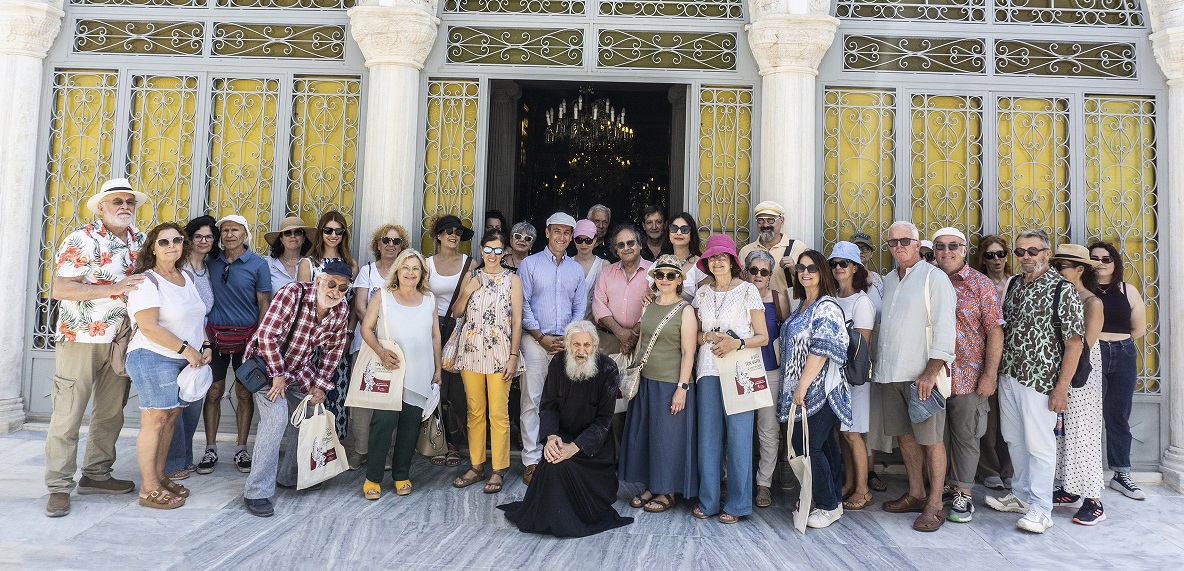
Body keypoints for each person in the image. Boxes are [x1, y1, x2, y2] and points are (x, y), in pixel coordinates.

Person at [44, 178, 147, 517]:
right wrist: (114, 288)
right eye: (117, 201)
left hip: (123, 340)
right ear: (101, 207)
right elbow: (61, 288)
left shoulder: (142, 241)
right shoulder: (82, 239)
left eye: (129, 201)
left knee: (110, 413)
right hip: (81, 338)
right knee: (68, 413)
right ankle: (59, 487)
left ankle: (96, 475)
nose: (125, 206)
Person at [985, 229, 1083, 534]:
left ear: (1046, 253)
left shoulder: (1061, 289)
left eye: (1032, 251)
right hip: (1010, 374)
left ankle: (1042, 509)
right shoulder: (1014, 283)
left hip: (1041, 380)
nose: (1025, 256)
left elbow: (1074, 343)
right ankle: (1022, 495)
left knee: (1039, 445)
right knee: (1013, 438)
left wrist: (1061, 389)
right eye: (1020, 251)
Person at [499, 321, 634, 537]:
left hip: (593, 447)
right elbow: (548, 406)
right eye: (576, 344)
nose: (581, 351)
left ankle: (569, 521)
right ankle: (552, 520)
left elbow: (603, 422)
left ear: (595, 345)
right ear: (568, 345)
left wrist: (574, 448)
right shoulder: (558, 363)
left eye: (587, 345)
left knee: (562, 466)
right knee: (553, 463)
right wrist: (552, 438)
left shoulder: (608, 369)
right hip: (561, 437)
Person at [241, 260, 352, 517]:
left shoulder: (340, 309)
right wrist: (278, 374)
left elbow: (333, 351)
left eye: (342, 288)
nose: (335, 291)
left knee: (309, 414)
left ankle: (289, 476)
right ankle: (256, 492)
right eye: (331, 284)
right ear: (319, 280)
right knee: (276, 419)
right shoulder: (293, 293)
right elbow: (266, 335)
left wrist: (321, 386)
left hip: (299, 370)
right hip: (267, 367)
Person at [874, 220, 956, 532]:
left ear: (917, 244)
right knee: (905, 437)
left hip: (922, 375)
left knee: (931, 440)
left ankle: (935, 505)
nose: (899, 247)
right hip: (892, 372)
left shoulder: (934, 277)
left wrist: (931, 371)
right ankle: (916, 494)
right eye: (893, 242)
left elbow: (946, 328)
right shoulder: (888, 280)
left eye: (905, 241)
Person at [126, 222, 211, 510]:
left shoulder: (186, 276)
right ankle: (148, 487)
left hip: (182, 360)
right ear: (152, 248)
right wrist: (187, 349)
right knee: (155, 419)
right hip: (152, 356)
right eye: (163, 241)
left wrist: (206, 345)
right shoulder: (146, 281)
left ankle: (160, 476)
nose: (171, 245)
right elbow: (149, 327)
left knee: (171, 418)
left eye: (176, 240)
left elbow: (197, 318)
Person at [692, 234, 768, 524]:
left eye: (722, 256)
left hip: (740, 372)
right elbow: (695, 335)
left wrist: (736, 343)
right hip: (708, 370)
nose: (717, 261)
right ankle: (708, 501)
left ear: (733, 261)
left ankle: (737, 504)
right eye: (712, 257)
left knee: (739, 439)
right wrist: (707, 336)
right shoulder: (702, 293)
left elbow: (763, 337)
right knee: (708, 439)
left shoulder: (748, 291)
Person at [931, 227, 1004, 524]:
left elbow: (995, 330)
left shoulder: (980, 284)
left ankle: (964, 494)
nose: (946, 251)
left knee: (966, 436)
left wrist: (990, 374)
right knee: (937, 437)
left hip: (968, 375)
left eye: (953, 246)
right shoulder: (928, 278)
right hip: (933, 374)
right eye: (940, 246)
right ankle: (943, 488)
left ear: (963, 250)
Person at [619, 255, 699, 514]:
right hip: (646, 381)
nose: (665, 279)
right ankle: (652, 486)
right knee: (648, 437)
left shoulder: (686, 310)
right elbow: (643, 341)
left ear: (679, 280)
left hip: (670, 383)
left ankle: (668, 491)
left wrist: (682, 388)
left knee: (668, 439)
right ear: (654, 278)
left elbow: (688, 352)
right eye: (660, 274)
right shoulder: (649, 305)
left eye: (671, 275)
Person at [359, 250, 442, 499]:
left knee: (410, 425)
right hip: (389, 370)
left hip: (420, 370)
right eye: (405, 267)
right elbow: (366, 328)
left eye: (415, 268)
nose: (410, 273)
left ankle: (402, 476)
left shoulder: (429, 299)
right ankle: (373, 479)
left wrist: (438, 369)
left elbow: (435, 336)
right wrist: (380, 352)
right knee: (382, 424)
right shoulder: (382, 296)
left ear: (422, 273)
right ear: (397, 270)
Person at [780, 249, 852, 529]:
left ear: (822, 272)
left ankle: (826, 506)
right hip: (804, 391)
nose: (805, 273)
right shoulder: (802, 305)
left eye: (812, 268)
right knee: (825, 447)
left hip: (821, 391)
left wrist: (801, 387)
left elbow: (820, 350)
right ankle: (834, 501)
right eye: (801, 268)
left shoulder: (826, 307)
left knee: (807, 447)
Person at [450, 231, 523, 494]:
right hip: (471, 351)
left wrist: (513, 357)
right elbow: (457, 312)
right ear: (481, 250)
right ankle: (476, 465)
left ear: (504, 252)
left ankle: (498, 469)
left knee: (498, 413)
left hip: (500, 353)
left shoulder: (512, 279)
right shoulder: (472, 276)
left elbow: (517, 321)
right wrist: (468, 290)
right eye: (488, 249)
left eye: (498, 250)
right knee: (475, 411)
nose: (493, 255)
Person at [199, 214, 271, 475]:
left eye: (235, 230)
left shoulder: (258, 264)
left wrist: (260, 340)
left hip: (247, 338)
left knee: (244, 393)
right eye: (226, 230)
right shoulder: (210, 261)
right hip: (214, 337)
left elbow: (264, 303)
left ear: (245, 234)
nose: (230, 235)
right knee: (214, 391)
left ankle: (241, 449)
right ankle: (210, 448)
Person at [517, 212, 586, 485]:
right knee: (532, 400)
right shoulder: (530, 264)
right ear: (547, 233)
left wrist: (570, 339)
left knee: (565, 402)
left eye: (567, 232)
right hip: (535, 341)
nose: (562, 237)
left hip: (566, 345)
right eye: (557, 231)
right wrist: (540, 336)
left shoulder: (575, 269)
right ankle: (532, 460)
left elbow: (579, 307)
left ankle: (559, 456)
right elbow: (522, 303)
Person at [343, 223, 408, 468]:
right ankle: (360, 450)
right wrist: (376, 336)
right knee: (362, 399)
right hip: (366, 344)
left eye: (396, 241)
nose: (391, 245)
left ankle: (385, 450)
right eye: (386, 240)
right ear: (378, 244)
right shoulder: (367, 271)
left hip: (395, 347)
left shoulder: (405, 272)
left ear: (402, 246)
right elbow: (360, 307)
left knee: (390, 400)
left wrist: (388, 340)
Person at [1089, 241, 1149, 500]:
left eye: (1107, 259)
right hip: (1092, 353)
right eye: (1095, 258)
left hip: (1123, 353)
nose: (1101, 263)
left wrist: (1117, 343)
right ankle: (1084, 476)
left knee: (1118, 416)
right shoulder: (1083, 290)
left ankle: (1121, 474)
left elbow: (1139, 328)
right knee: (1087, 417)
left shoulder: (1127, 290)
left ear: (1115, 263)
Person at [1052, 245, 1107, 525]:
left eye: (1061, 266)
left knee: (1082, 434)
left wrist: (1066, 379)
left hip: (1081, 374)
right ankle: (1069, 489)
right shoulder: (1060, 295)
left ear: (1079, 270)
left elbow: (1084, 345)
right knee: (1062, 433)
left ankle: (1094, 501)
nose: (1056, 271)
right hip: (1060, 370)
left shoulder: (1092, 302)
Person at [164, 215, 218, 481]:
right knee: (175, 406)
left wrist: (206, 344)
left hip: (200, 340)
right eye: (198, 236)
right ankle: (172, 463)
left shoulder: (209, 268)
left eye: (209, 237)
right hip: (176, 341)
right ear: (188, 238)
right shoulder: (179, 267)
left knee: (193, 401)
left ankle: (185, 458)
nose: (204, 241)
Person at [827, 242, 877, 511]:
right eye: (834, 263)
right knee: (842, 433)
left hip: (853, 376)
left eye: (843, 263)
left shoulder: (862, 302)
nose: (838, 268)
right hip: (832, 376)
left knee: (853, 433)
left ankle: (863, 489)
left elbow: (861, 346)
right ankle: (848, 483)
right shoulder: (832, 297)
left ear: (855, 267)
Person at [427, 214, 475, 468]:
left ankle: (455, 443)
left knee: (456, 390)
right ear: (438, 236)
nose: (453, 235)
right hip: (432, 330)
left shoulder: (470, 263)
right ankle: (438, 442)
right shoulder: (426, 264)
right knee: (436, 386)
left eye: (457, 232)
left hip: (460, 331)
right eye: (448, 231)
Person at [744, 249, 789, 508]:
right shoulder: (738, 295)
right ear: (746, 272)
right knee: (737, 428)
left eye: (764, 271)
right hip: (741, 371)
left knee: (769, 430)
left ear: (770, 275)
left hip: (770, 371)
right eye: (754, 270)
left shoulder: (778, 299)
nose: (758, 275)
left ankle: (764, 484)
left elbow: (787, 332)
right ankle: (730, 478)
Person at [309, 210, 359, 438]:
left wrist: (349, 333)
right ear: (321, 232)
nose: (333, 235)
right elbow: (303, 302)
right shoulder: (309, 263)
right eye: (328, 230)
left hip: (339, 338)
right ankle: (310, 446)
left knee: (337, 391)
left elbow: (353, 303)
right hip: (311, 338)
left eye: (339, 231)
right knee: (311, 392)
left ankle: (334, 446)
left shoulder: (351, 264)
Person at [974, 234, 1015, 491]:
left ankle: (1008, 469)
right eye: (990, 255)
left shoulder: (1016, 283)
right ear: (983, 258)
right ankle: (988, 469)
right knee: (987, 419)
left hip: (1011, 358)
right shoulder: (979, 284)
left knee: (1010, 417)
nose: (997, 259)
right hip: (984, 357)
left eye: (1001, 254)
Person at [593, 224, 653, 357]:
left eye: (630, 243)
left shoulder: (654, 272)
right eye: (621, 245)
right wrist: (620, 332)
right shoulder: (605, 273)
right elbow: (599, 307)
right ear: (616, 249)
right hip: (609, 341)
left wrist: (634, 333)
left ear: (640, 245)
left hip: (643, 341)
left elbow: (656, 305)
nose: (626, 248)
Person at [738, 201, 809, 299]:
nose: (765, 225)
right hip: (751, 306)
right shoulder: (745, 251)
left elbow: (813, 282)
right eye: (760, 220)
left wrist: (795, 271)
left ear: (782, 221)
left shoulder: (798, 248)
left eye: (771, 220)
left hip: (786, 307)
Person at [661, 211, 706, 302]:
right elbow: (653, 294)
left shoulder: (700, 266)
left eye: (684, 229)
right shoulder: (660, 262)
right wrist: (648, 295)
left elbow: (706, 301)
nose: (679, 232)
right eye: (674, 228)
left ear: (691, 235)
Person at [265, 216, 313, 292]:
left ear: (304, 238)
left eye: (297, 232)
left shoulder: (311, 265)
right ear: (281, 239)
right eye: (287, 233)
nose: (293, 236)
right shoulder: (268, 264)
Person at [572, 219, 608, 320]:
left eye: (588, 240)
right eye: (579, 240)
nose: (583, 245)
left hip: (594, 325)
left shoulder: (604, 265)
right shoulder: (565, 264)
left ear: (595, 239)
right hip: (567, 325)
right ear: (573, 239)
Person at [851, 232, 884, 308]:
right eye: (856, 248)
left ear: (871, 253)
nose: (860, 251)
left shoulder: (880, 281)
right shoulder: (842, 279)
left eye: (865, 248)